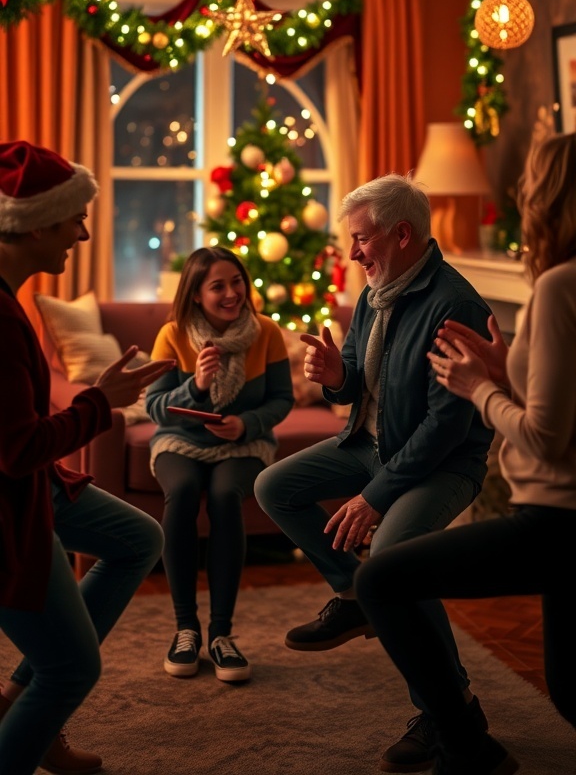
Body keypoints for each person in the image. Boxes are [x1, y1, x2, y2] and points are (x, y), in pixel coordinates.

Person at [254, 172, 495, 772]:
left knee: (392, 556)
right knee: (273, 486)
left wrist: (374, 497)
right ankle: (352, 592)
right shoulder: (374, 293)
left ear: (402, 234)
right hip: (372, 443)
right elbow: (358, 388)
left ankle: (447, 708)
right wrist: (337, 374)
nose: (354, 252)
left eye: (362, 240)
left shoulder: (454, 304)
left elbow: (445, 427)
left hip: (441, 462)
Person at [354, 132, 576, 775]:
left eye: (532, 181)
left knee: (382, 579)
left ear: (551, 195)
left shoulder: (558, 287)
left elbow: (542, 438)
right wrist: (508, 374)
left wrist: (479, 389)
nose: (521, 193)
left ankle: (467, 747)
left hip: (554, 516)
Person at [0, 140, 176, 775]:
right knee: (73, 666)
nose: (81, 231)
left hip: (30, 483)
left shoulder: (9, 301)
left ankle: (22, 706)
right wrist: (101, 404)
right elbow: (17, 451)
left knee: (137, 537)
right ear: (38, 222)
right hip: (10, 499)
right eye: (74, 217)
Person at [146, 245, 294, 684]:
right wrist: (196, 386)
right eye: (218, 286)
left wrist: (246, 423)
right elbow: (155, 407)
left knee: (226, 495)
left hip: (243, 444)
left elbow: (282, 399)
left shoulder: (266, 331)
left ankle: (221, 634)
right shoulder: (172, 334)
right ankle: (185, 628)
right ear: (195, 293)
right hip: (179, 440)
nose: (232, 293)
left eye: (237, 282)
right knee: (185, 491)